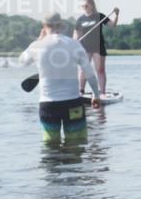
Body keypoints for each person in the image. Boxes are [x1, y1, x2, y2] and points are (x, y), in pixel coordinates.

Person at [19, 13, 100, 143]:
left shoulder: (37, 46)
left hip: (48, 106)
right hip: (73, 103)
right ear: (62, 26)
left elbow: (22, 61)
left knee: (51, 147)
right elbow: (89, 73)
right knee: (76, 145)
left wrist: (38, 40)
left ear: (43, 26)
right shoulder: (74, 45)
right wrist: (96, 95)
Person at [73, 0, 118, 94]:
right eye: (83, 6)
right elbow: (76, 33)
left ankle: (102, 92)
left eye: (86, 5)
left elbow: (113, 25)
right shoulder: (80, 19)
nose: (84, 7)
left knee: (100, 70)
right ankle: (81, 91)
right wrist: (74, 41)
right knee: (83, 69)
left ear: (92, 5)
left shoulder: (99, 16)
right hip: (85, 48)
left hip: (98, 47)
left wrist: (116, 15)